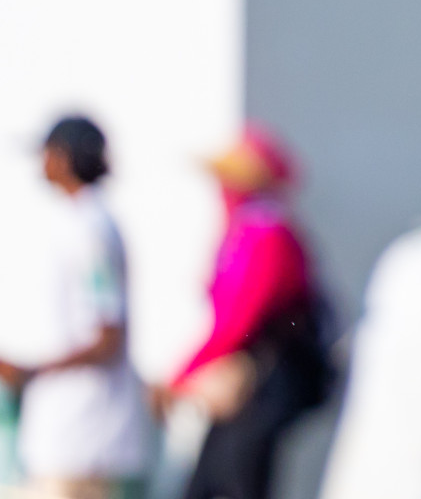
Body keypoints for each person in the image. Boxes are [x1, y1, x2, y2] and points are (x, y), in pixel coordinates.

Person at [154, 124, 333, 499]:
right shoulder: (248, 232)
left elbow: (237, 321)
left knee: (238, 482)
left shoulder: (264, 234)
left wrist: (182, 376)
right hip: (254, 382)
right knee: (209, 481)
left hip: (270, 379)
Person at [0, 115, 151, 499]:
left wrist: (30, 370)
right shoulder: (76, 221)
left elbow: (106, 336)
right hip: (64, 435)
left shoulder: (90, 228)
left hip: (84, 435)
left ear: (64, 158)